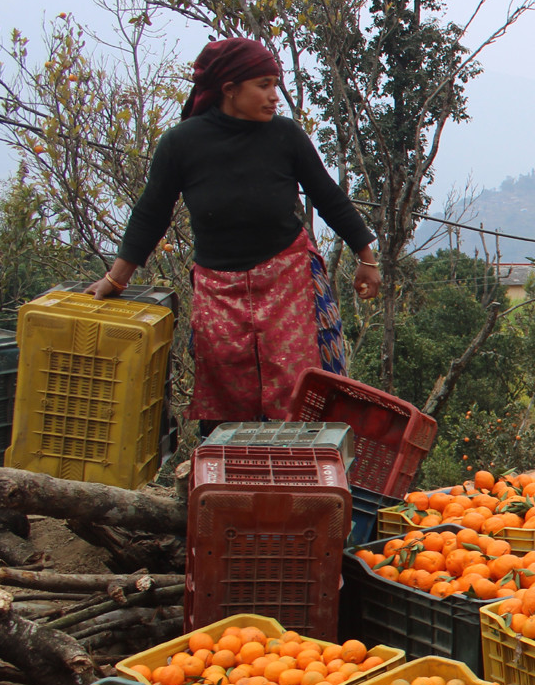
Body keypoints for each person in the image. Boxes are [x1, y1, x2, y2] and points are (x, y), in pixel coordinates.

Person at [91, 38, 381, 433]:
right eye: (263, 85)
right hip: (219, 290)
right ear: (229, 89)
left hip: (289, 281)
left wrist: (367, 258)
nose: (274, 96)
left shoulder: (285, 136)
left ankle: (308, 480)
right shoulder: (182, 144)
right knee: (228, 399)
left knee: (306, 390)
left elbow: (329, 198)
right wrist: (116, 278)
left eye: (275, 85)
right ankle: (234, 482)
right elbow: (150, 213)